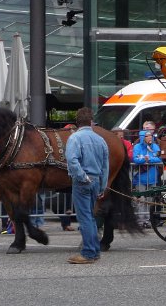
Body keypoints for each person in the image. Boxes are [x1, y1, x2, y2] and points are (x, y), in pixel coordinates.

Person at [64, 107, 109, 264]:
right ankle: (94, 250)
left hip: (83, 181)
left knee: (85, 219)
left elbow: (72, 159)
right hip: (96, 180)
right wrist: (102, 186)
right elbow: (105, 166)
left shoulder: (75, 138)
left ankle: (89, 253)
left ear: (77, 122)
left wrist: (82, 176)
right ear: (91, 122)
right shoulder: (100, 140)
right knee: (90, 217)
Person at [132, 129, 162, 228]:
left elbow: (159, 158)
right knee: (141, 200)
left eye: (151, 135)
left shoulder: (155, 146)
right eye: (147, 136)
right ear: (142, 138)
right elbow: (135, 159)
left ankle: (148, 220)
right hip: (140, 178)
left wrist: (148, 159)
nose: (150, 137)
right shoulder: (137, 147)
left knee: (150, 200)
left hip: (152, 177)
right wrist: (144, 160)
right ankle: (141, 220)